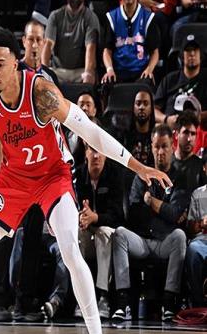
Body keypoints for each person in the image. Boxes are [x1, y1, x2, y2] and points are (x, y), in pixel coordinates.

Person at [0, 28, 171, 334]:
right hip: (13, 180)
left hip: (53, 176)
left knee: (70, 250)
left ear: (15, 63)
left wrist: (138, 166)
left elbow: (89, 131)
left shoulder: (40, 92)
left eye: (0, 64)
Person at [112, 125, 189, 323]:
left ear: (172, 147)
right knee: (119, 233)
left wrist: (151, 202)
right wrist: (164, 210)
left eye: (164, 146)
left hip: (165, 241)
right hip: (142, 240)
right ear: (151, 147)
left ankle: (168, 302)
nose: (160, 152)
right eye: (156, 147)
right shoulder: (141, 177)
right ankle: (123, 303)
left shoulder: (180, 177)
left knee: (180, 236)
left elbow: (176, 214)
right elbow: (134, 213)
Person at [76, 142, 124, 319]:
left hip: (106, 233)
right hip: (86, 232)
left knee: (103, 233)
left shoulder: (114, 174)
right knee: (78, 234)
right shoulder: (78, 175)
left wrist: (95, 217)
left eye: (100, 151)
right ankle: (81, 299)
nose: (96, 156)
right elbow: (72, 207)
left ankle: (103, 296)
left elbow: (118, 216)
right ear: (86, 153)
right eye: (92, 150)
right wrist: (82, 217)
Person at [41, 0, 99, 84]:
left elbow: (90, 47)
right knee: (45, 77)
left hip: (80, 71)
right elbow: (48, 45)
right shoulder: (55, 16)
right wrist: (43, 71)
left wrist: (88, 73)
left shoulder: (90, 17)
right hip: (59, 71)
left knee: (91, 76)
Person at [102, 0, 160, 84]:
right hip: (118, 72)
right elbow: (107, 50)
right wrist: (109, 69)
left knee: (147, 82)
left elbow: (155, 52)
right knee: (107, 82)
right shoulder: (112, 17)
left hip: (141, 71)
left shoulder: (148, 17)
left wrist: (149, 69)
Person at [154, 34, 207, 128]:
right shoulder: (169, 79)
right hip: (171, 129)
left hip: (200, 130)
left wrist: (198, 117)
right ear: (182, 56)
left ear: (201, 54)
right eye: (188, 50)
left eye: (195, 50)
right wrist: (166, 119)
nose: (192, 53)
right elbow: (154, 109)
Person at [185, 156, 207, 308]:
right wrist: (201, 223)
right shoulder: (197, 193)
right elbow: (190, 228)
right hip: (202, 241)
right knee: (193, 249)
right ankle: (198, 304)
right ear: (205, 168)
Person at [171, 111, 206, 193]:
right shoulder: (166, 163)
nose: (189, 139)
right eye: (185, 132)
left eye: (193, 134)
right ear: (176, 134)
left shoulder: (201, 166)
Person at [19, 19, 59, 85]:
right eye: (31, 39)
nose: (34, 45)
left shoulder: (51, 76)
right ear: (24, 41)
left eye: (38, 40)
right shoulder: (13, 71)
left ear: (44, 42)